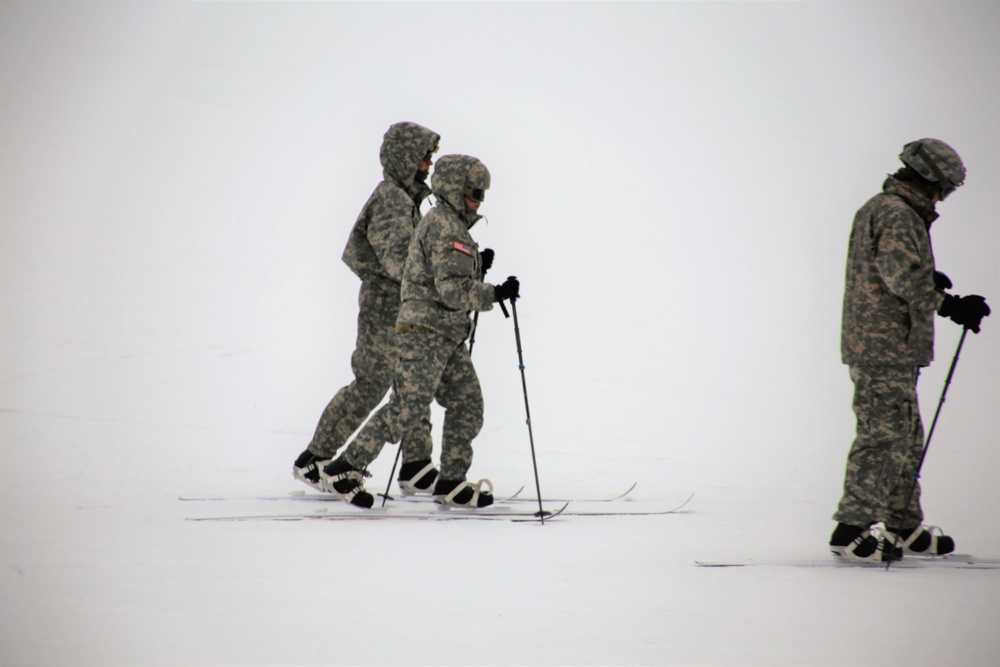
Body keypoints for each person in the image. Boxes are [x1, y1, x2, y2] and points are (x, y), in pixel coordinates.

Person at [318, 154, 520, 508]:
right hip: (423, 333)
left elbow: (447, 278)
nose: (478, 201)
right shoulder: (442, 224)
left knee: (467, 403)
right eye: (473, 192)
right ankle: (344, 467)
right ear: (455, 190)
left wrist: (476, 267)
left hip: (446, 335)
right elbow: (450, 290)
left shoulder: (454, 227)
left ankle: (451, 481)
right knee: (406, 408)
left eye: (482, 194)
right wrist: (493, 293)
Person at [831, 138, 991, 562]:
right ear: (929, 180)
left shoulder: (890, 210)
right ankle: (850, 530)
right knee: (882, 437)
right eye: (946, 187)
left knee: (904, 435)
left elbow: (891, 269)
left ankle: (902, 524)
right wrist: (950, 305)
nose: (944, 196)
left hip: (891, 344)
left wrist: (929, 278)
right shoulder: (897, 214)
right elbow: (901, 277)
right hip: (882, 344)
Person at [292, 122, 441, 493]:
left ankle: (417, 464)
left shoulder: (405, 200)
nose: (428, 166)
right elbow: (399, 262)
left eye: (430, 159)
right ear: (405, 159)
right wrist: (443, 278)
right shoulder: (391, 199)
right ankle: (315, 459)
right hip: (386, 302)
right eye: (423, 159)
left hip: (407, 303)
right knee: (373, 381)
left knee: (412, 379)